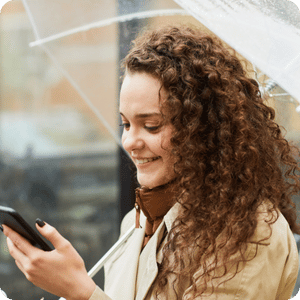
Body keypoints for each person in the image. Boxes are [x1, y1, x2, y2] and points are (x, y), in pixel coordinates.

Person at [2, 25, 300, 300]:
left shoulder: (248, 230)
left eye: (152, 125)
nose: (130, 142)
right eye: (126, 124)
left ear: (202, 128)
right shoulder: (136, 223)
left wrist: (81, 291)